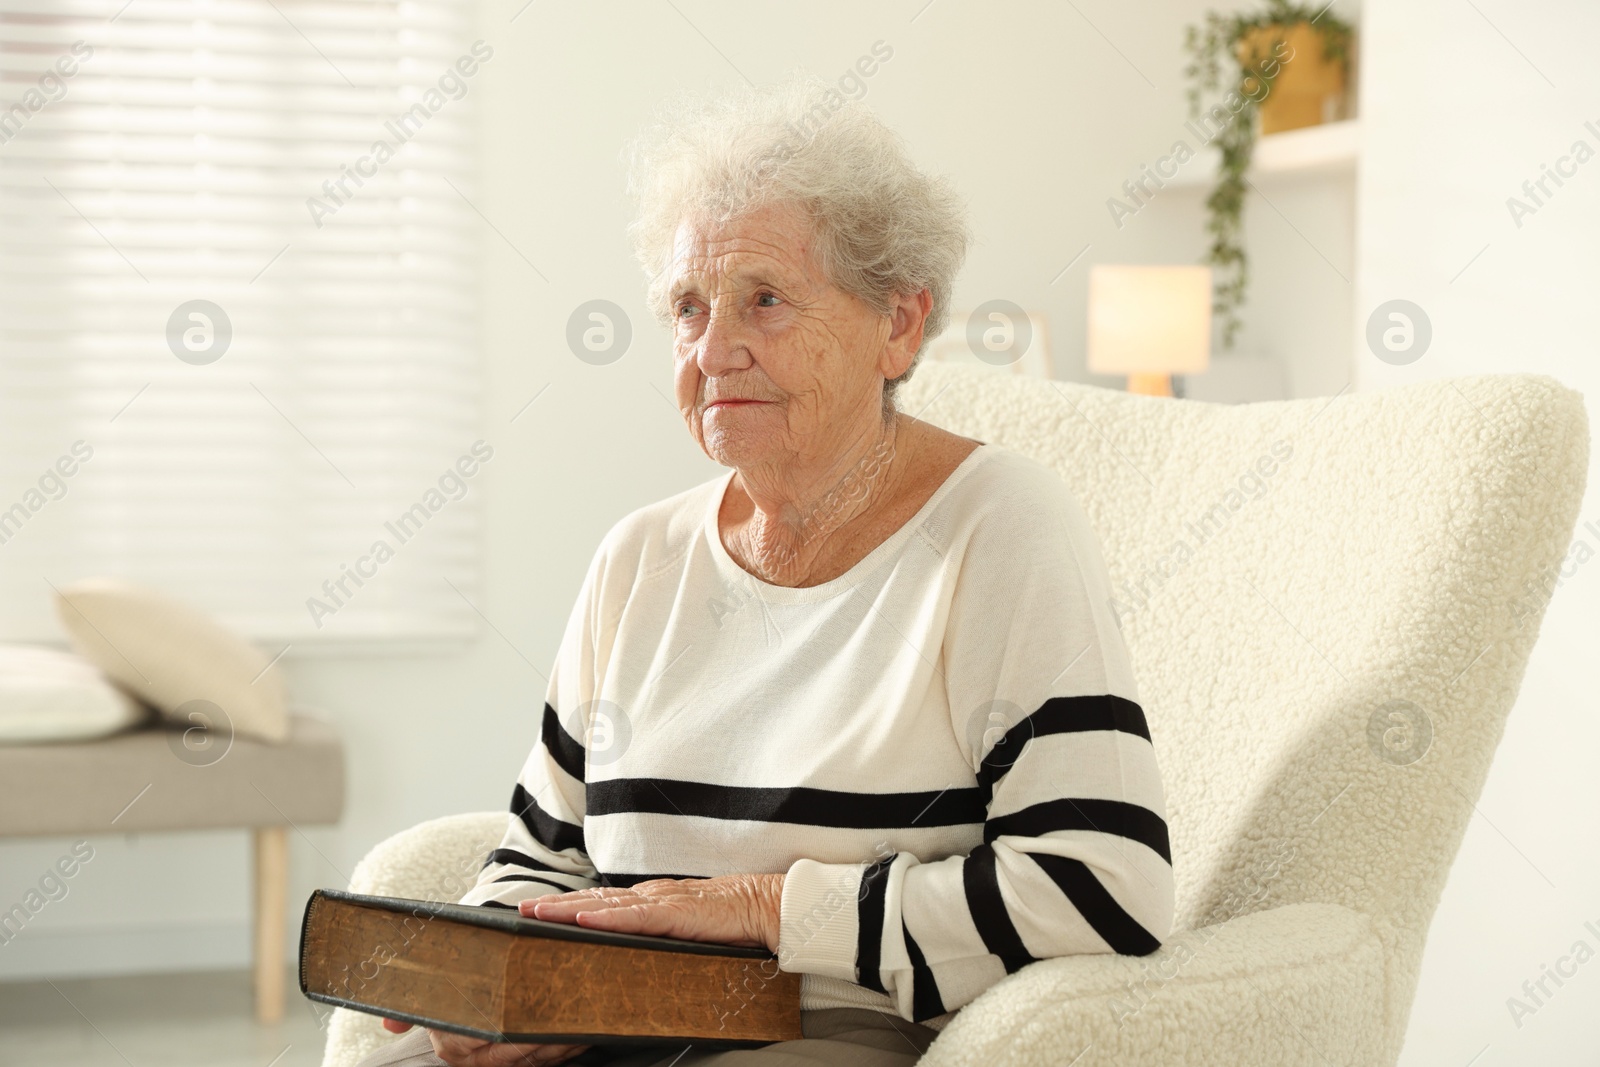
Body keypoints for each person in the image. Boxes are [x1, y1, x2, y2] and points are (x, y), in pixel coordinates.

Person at [358, 74, 1173, 1067]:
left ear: (899, 324)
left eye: (766, 301)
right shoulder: (639, 557)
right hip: (608, 1020)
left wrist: (764, 909)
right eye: (688, 307)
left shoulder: (998, 527)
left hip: (824, 1024)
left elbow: (1104, 885)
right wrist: (504, 982)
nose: (715, 349)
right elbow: (543, 848)